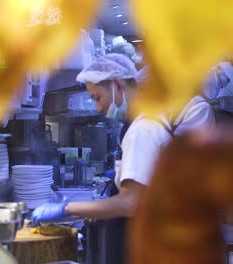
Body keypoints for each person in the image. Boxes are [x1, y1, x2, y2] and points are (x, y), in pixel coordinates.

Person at [31, 53, 215, 263]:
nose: (98, 108)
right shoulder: (150, 124)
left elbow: (131, 202)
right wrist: (101, 209)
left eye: (97, 98)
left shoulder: (143, 130)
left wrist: (66, 209)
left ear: (117, 85)